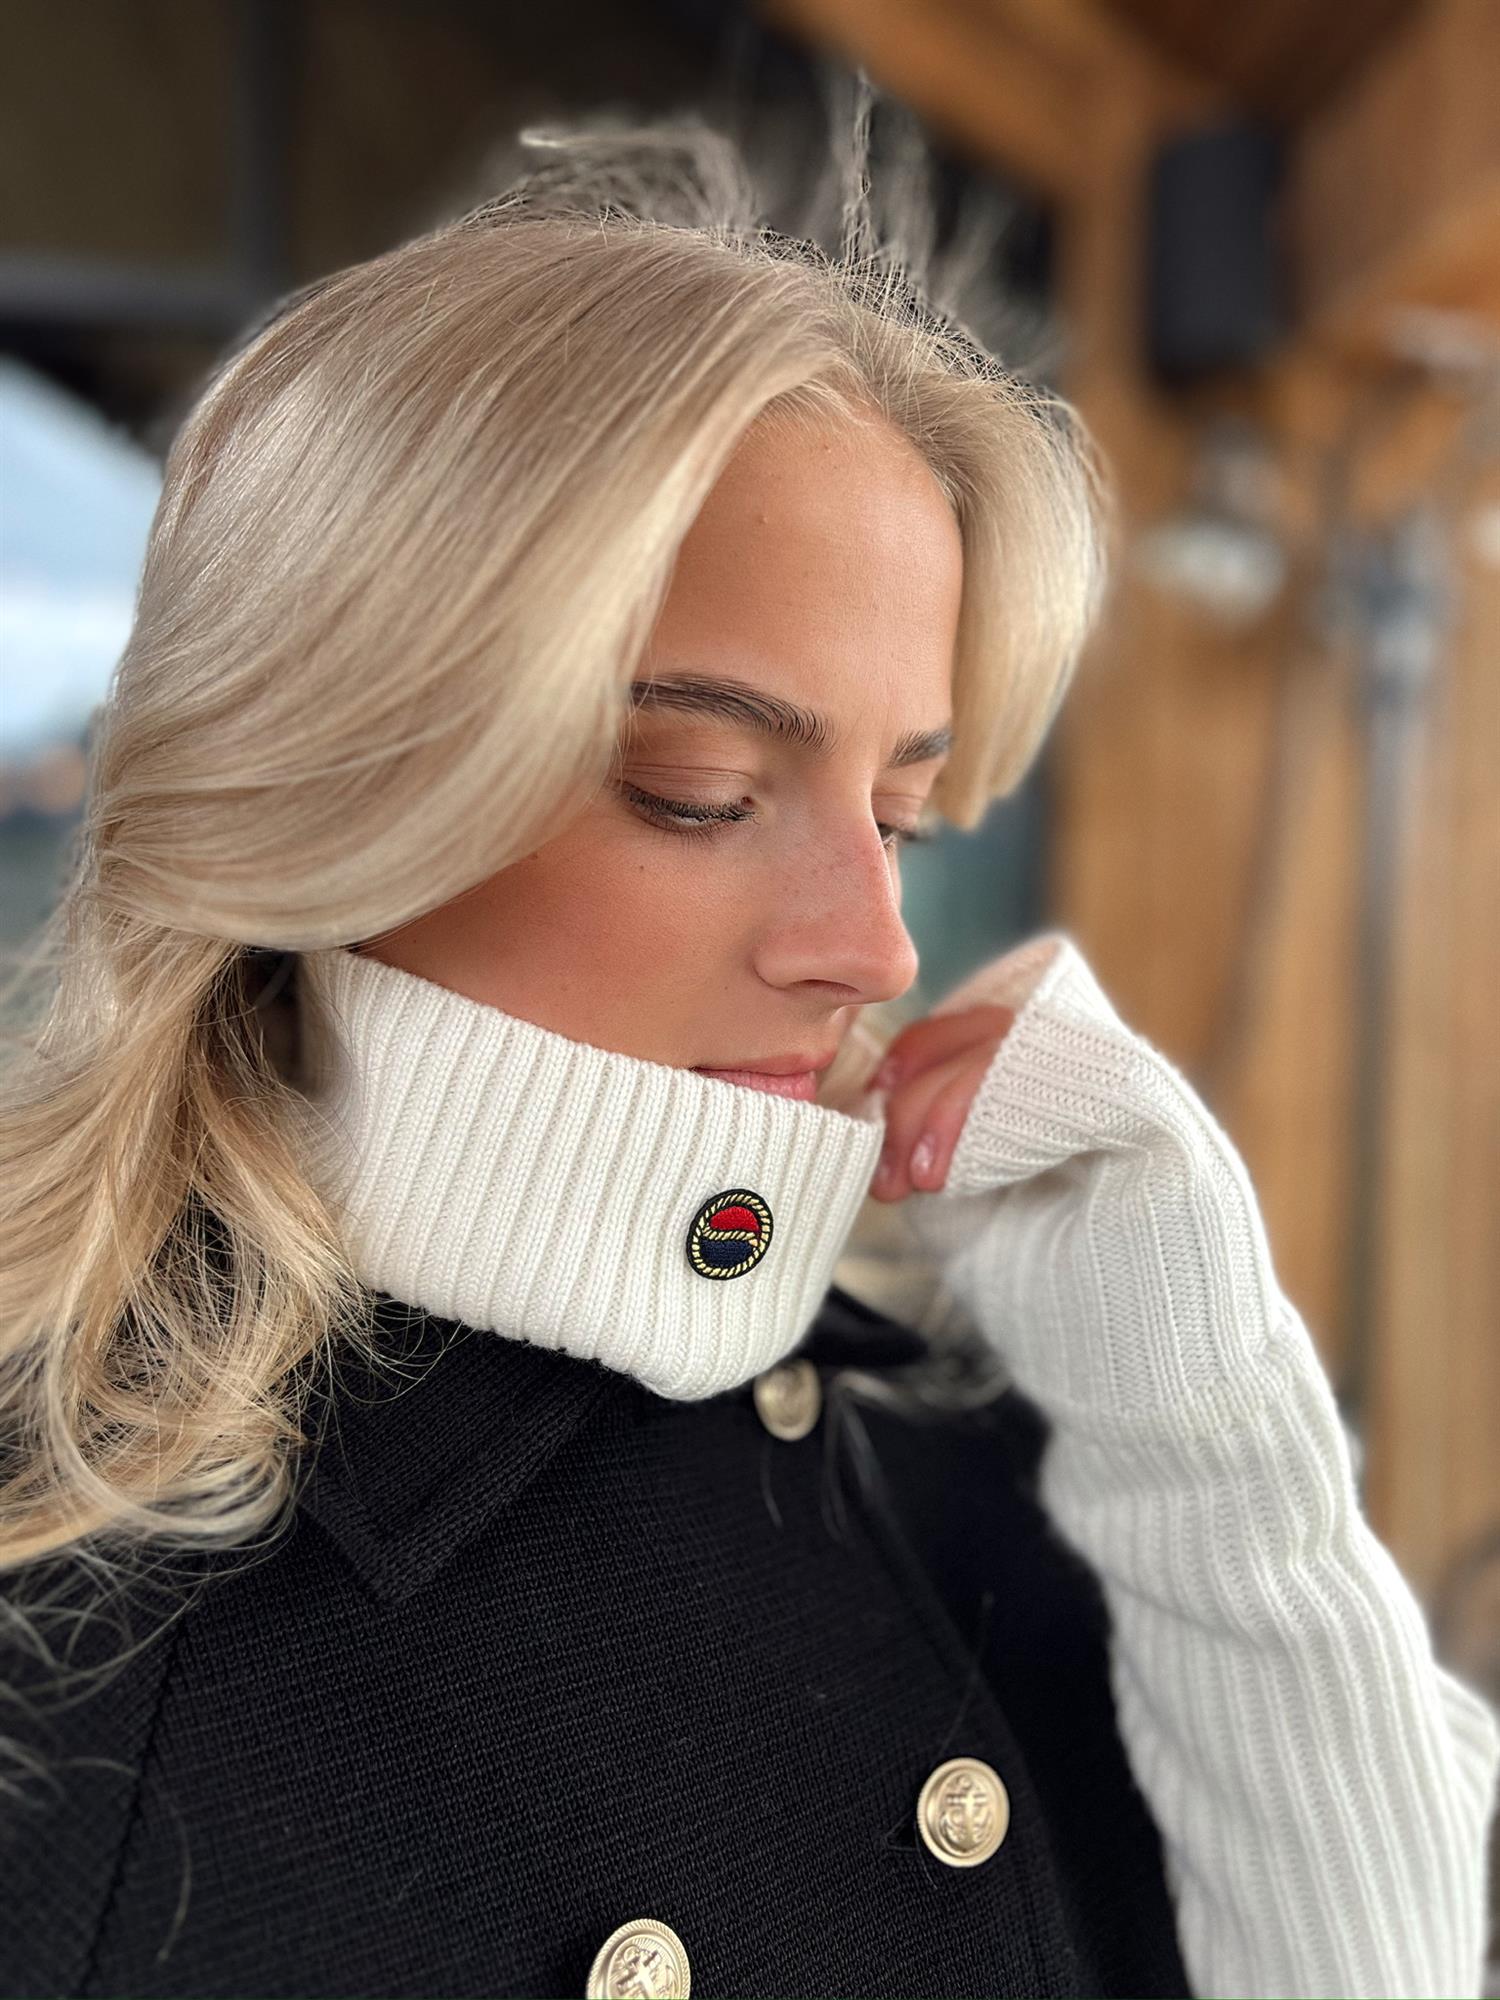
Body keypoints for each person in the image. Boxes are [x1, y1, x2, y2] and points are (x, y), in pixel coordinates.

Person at [2, 98, 1495, 2000]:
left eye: (906, 815)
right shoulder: (78, 1662)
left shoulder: (1029, 1443)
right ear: (327, 792)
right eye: (698, 789)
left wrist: (1204, 1408)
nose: (875, 946)